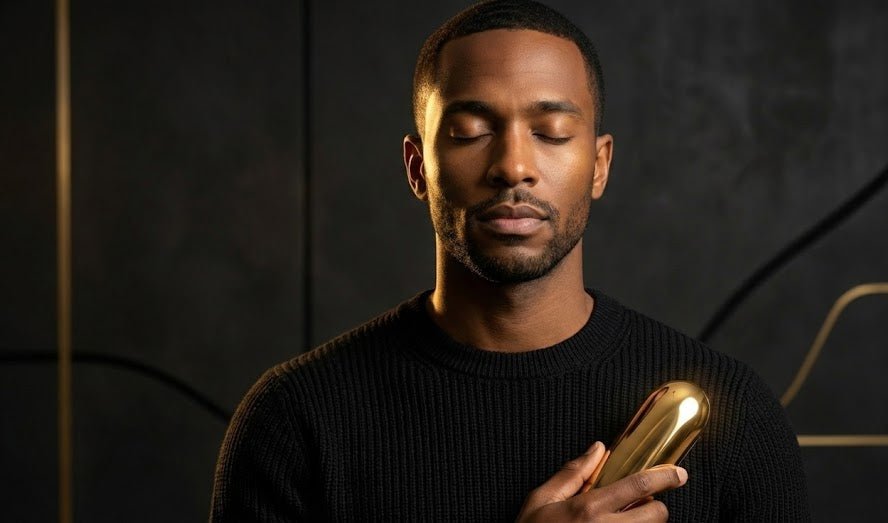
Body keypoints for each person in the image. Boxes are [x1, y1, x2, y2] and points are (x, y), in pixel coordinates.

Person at [209, 1, 810, 521]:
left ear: (599, 165)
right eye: (470, 131)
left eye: (551, 132)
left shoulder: (734, 419)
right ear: (418, 167)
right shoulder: (296, 420)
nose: (513, 166)